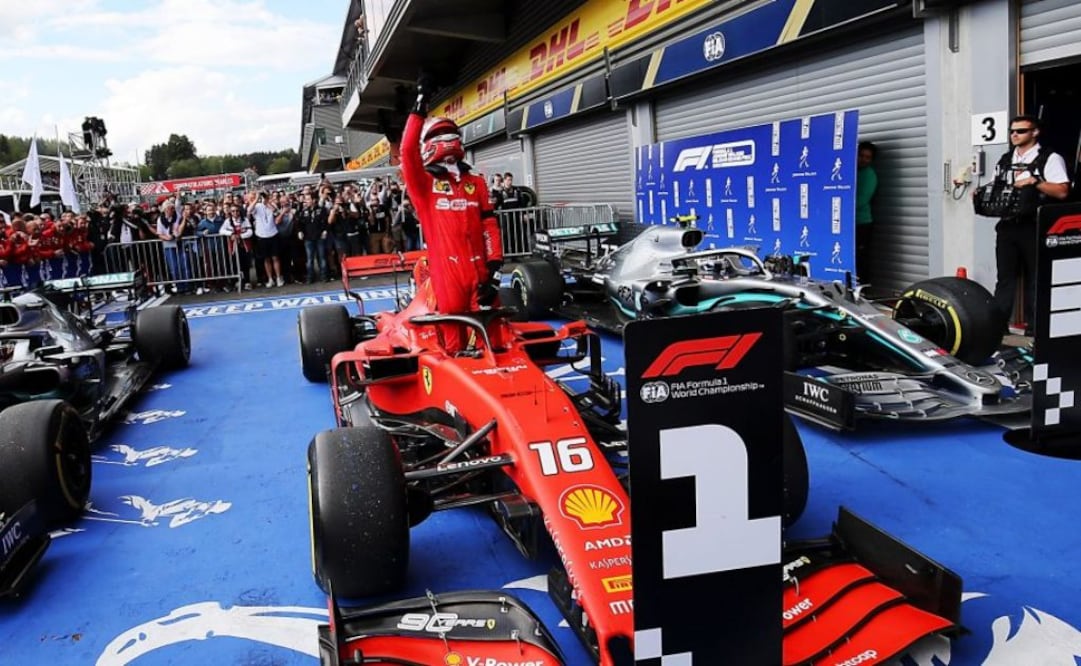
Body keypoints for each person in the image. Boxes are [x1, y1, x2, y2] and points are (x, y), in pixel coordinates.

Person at [401, 75, 504, 351]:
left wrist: (495, 271)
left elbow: (489, 227)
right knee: (452, 340)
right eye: (438, 136)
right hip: (446, 276)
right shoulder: (424, 185)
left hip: (480, 273)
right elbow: (406, 151)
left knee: (493, 337)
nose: (445, 139)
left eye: (449, 134)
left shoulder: (476, 183)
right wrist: (419, 106)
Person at [989, 115, 1070, 334]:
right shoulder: (1006, 159)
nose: (1014, 134)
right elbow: (997, 188)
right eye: (1012, 131)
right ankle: (998, 329)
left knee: (1037, 278)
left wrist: (1036, 182)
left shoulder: (1050, 158)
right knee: (1004, 279)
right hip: (1007, 226)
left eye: (1021, 131)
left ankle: (1037, 330)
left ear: (1035, 132)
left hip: (1034, 225)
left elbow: (1062, 191)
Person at [855, 141, 878, 279]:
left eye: (867, 157)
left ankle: (864, 291)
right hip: (848, 224)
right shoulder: (851, 171)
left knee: (861, 258)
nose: (863, 159)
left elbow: (862, 200)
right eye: (861, 155)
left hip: (862, 224)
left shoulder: (870, 176)